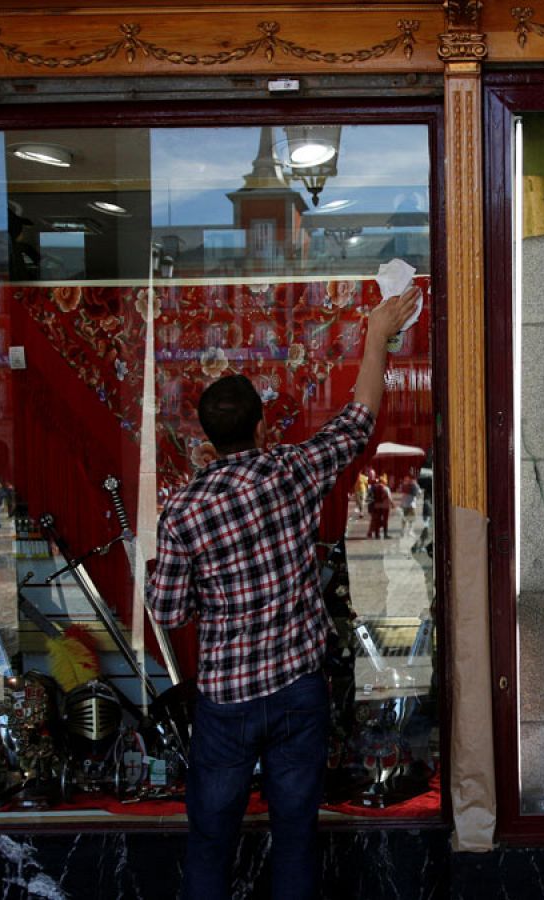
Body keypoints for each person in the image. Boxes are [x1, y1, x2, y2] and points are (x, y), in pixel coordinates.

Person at [148, 286, 417, 900]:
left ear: (207, 439)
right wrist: (376, 334)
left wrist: (210, 599)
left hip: (226, 702)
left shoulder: (184, 509)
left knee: (210, 841)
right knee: (296, 836)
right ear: (263, 426)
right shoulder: (291, 471)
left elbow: (166, 610)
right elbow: (359, 417)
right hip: (298, 690)